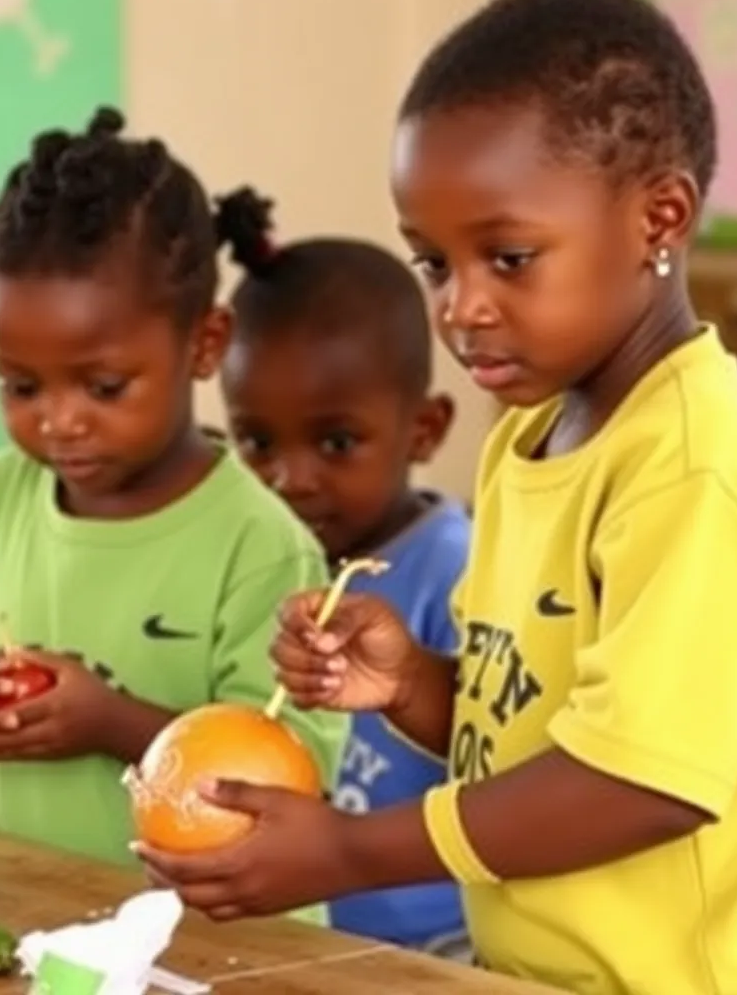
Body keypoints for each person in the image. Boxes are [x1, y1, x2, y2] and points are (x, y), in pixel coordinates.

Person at [133, 0, 737, 992]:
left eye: (508, 257)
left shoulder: (690, 468)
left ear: (658, 216)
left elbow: (639, 779)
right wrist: (411, 682)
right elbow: (540, 735)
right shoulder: (533, 430)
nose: (462, 308)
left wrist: (352, 850)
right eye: (432, 263)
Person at [0, 107, 348, 921]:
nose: (59, 421)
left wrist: (108, 720)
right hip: (13, 910)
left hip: (208, 940)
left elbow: (284, 776)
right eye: (22, 386)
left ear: (203, 345)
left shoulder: (260, 546)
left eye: (102, 386)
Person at [214, 188, 472, 954]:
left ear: (422, 429)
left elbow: (501, 762)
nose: (289, 478)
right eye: (257, 443)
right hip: (290, 934)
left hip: (438, 945)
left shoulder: (454, 571)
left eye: (335, 444)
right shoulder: (254, 557)